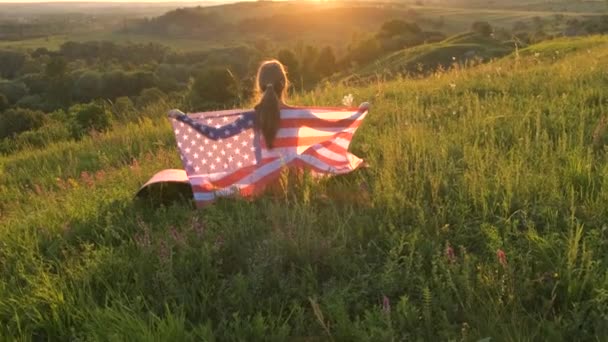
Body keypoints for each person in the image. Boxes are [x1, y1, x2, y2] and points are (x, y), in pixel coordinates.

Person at [168, 59, 291, 149]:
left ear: (259, 86)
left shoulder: (250, 118)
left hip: (262, 182)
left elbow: (216, 134)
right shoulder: (300, 115)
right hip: (296, 184)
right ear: (284, 84)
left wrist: (184, 118)